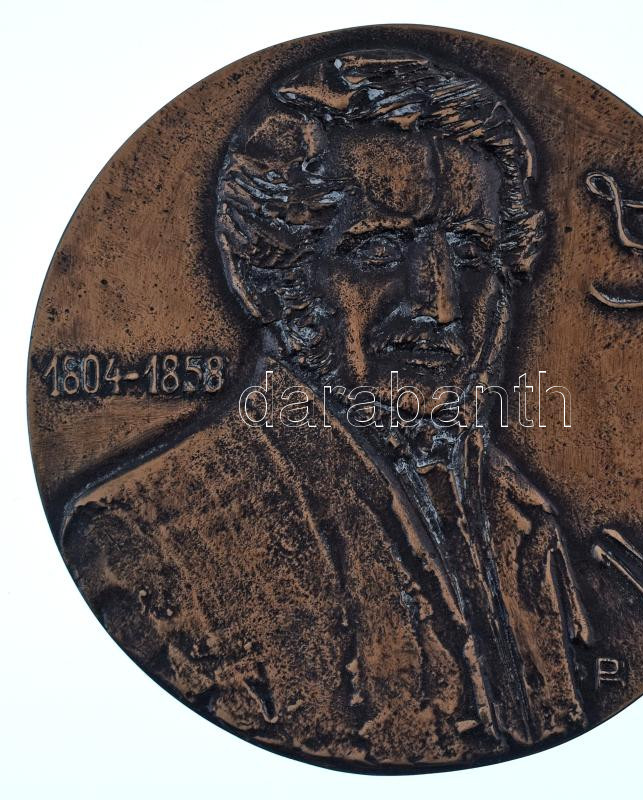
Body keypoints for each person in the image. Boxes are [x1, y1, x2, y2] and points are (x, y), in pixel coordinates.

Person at [61, 50, 592, 770]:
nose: (439, 304)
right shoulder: (140, 540)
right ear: (270, 275)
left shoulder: (523, 520)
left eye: (471, 256)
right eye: (377, 251)